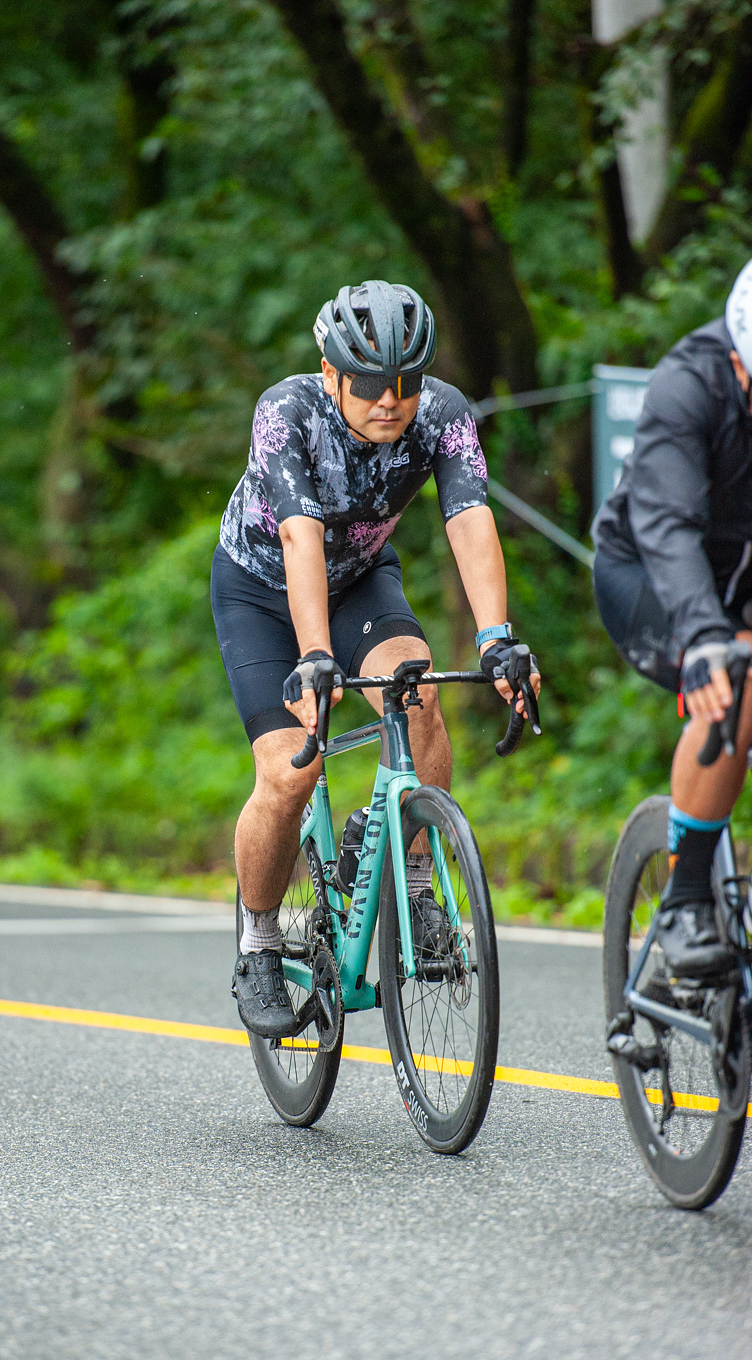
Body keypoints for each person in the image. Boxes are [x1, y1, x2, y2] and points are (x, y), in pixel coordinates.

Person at [211, 279, 540, 1037]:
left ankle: (414, 885)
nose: (389, 401)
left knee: (417, 700)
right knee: (290, 771)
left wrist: (496, 639)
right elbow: (297, 535)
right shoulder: (286, 411)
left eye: (406, 382)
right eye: (368, 383)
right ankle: (259, 942)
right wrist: (315, 654)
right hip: (262, 591)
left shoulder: (444, 415)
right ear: (332, 373)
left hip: (358, 580)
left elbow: (470, 519)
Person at [593, 251, 752, 977]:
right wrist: (702, 637)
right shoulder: (687, 385)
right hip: (650, 577)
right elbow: (665, 525)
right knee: (745, 669)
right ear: (741, 368)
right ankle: (685, 897)